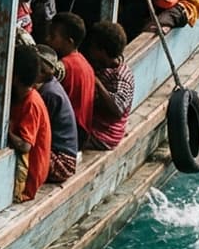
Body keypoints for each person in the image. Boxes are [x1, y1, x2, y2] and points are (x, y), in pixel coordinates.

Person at [81, 21, 135, 153]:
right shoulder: (103, 66)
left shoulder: (121, 77)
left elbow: (117, 109)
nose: (90, 50)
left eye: (93, 47)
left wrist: (96, 82)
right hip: (95, 124)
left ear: (102, 51)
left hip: (105, 135)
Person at [9, 44, 52, 203]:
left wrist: (5, 132)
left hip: (29, 180)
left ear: (14, 77)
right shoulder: (23, 97)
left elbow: (25, 145)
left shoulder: (31, 103)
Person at [47, 14, 98, 143]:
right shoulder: (85, 63)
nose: (48, 39)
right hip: (80, 132)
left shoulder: (63, 67)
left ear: (69, 42)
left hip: (67, 135)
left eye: (53, 36)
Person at [36, 46, 82, 181]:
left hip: (63, 162)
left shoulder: (49, 93)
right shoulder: (50, 87)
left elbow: (40, 133)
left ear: (43, 73)